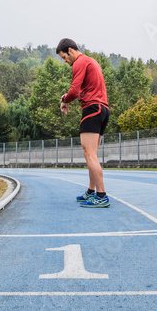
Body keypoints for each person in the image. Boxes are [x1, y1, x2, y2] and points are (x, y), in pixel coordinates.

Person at [56, 38, 110, 208]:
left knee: (89, 154)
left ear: (71, 50)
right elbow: (83, 91)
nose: (65, 62)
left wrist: (65, 99)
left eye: (64, 57)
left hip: (92, 109)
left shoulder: (79, 63)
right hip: (103, 110)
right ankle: (91, 192)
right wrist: (69, 97)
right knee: (91, 153)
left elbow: (74, 90)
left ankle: (101, 195)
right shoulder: (91, 61)